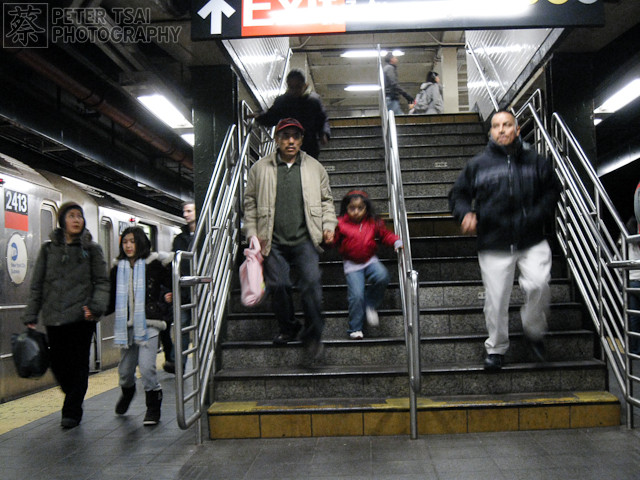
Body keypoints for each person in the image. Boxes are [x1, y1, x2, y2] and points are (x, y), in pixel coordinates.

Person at [448, 110, 562, 371]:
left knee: (539, 284)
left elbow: (552, 191)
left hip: (531, 238)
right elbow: (458, 194)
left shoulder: (536, 161)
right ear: (490, 132)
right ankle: (496, 348)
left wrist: (536, 216)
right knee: (496, 299)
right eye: (496, 126)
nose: (501, 130)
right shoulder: (478, 164)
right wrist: (465, 213)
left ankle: (533, 331)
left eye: (507, 125)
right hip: (493, 241)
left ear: (517, 129)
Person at [243, 117, 337, 366]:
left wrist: (329, 227)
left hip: (306, 238)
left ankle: (313, 336)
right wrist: (252, 233)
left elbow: (327, 202)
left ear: (302, 139)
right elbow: (250, 203)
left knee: (312, 285)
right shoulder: (260, 169)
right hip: (271, 240)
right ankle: (289, 326)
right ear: (276, 139)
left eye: (296, 136)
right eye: (285, 136)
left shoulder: (315, 168)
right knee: (279, 285)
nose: (291, 141)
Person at [23, 201, 110, 429]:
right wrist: (31, 314)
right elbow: (37, 284)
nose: (76, 220)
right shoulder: (48, 249)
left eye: (79, 216)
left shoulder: (92, 250)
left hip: (82, 317)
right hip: (54, 318)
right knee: (60, 365)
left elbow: (102, 282)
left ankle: (71, 411)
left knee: (80, 364)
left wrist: (96, 307)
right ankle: (71, 391)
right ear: (62, 221)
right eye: (71, 216)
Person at [106, 226, 173, 426]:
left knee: (146, 368)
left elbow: (171, 283)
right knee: (125, 372)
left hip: (149, 323)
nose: (128, 246)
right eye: (125, 242)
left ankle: (153, 406)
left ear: (141, 243)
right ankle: (127, 392)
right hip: (126, 325)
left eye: (132, 241)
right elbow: (110, 297)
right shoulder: (118, 267)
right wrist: (95, 312)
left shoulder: (154, 264)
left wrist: (168, 296)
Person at [331, 190, 402, 339]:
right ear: (346, 208)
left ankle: (370, 304)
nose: (356, 212)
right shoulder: (341, 223)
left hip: (370, 260)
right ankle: (355, 328)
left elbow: (385, 235)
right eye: (352, 208)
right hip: (352, 264)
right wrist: (328, 238)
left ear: (366, 208)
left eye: (360, 208)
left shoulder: (372, 221)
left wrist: (396, 240)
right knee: (356, 296)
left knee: (382, 276)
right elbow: (333, 240)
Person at [253, 69, 330, 159]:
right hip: (289, 144)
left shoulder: (313, 101)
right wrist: (258, 116)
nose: (294, 91)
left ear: (305, 86)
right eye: (291, 87)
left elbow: (322, 119)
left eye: (298, 87)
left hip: (309, 145)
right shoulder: (283, 101)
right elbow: (272, 117)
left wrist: (323, 133)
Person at [161, 201, 196, 374]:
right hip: (183, 291)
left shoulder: (204, 234)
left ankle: (204, 364)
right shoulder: (179, 239)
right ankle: (177, 363)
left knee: (198, 329)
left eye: (189, 211)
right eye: (185, 211)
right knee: (181, 327)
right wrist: (171, 289)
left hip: (201, 290)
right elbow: (173, 267)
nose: (185, 214)